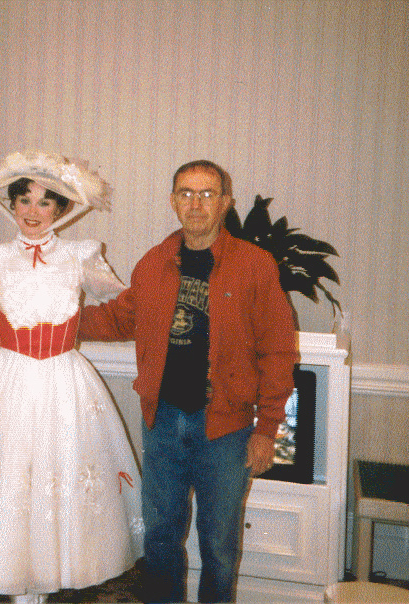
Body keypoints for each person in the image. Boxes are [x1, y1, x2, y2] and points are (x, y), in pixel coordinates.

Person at [79, 159, 298, 603]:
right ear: (173, 201)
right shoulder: (154, 262)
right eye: (186, 193)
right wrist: (51, 318)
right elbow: (119, 318)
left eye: (207, 193)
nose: (196, 203)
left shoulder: (254, 265)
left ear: (225, 203)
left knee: (218, 544)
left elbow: (278, 351)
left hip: (226, 429)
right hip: (162, 424)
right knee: (160, 539)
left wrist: (267, 430)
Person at [0, 151, 144, 604]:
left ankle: (52, 573)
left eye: (45, 203)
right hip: (11, 380)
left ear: (62, 209)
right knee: (12, 471)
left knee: (61, 466)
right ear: (11, 204)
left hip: (64, 380)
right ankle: (13, 578)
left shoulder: (80, 255)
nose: (32, 211)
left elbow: (125, 301)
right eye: (23, 200)